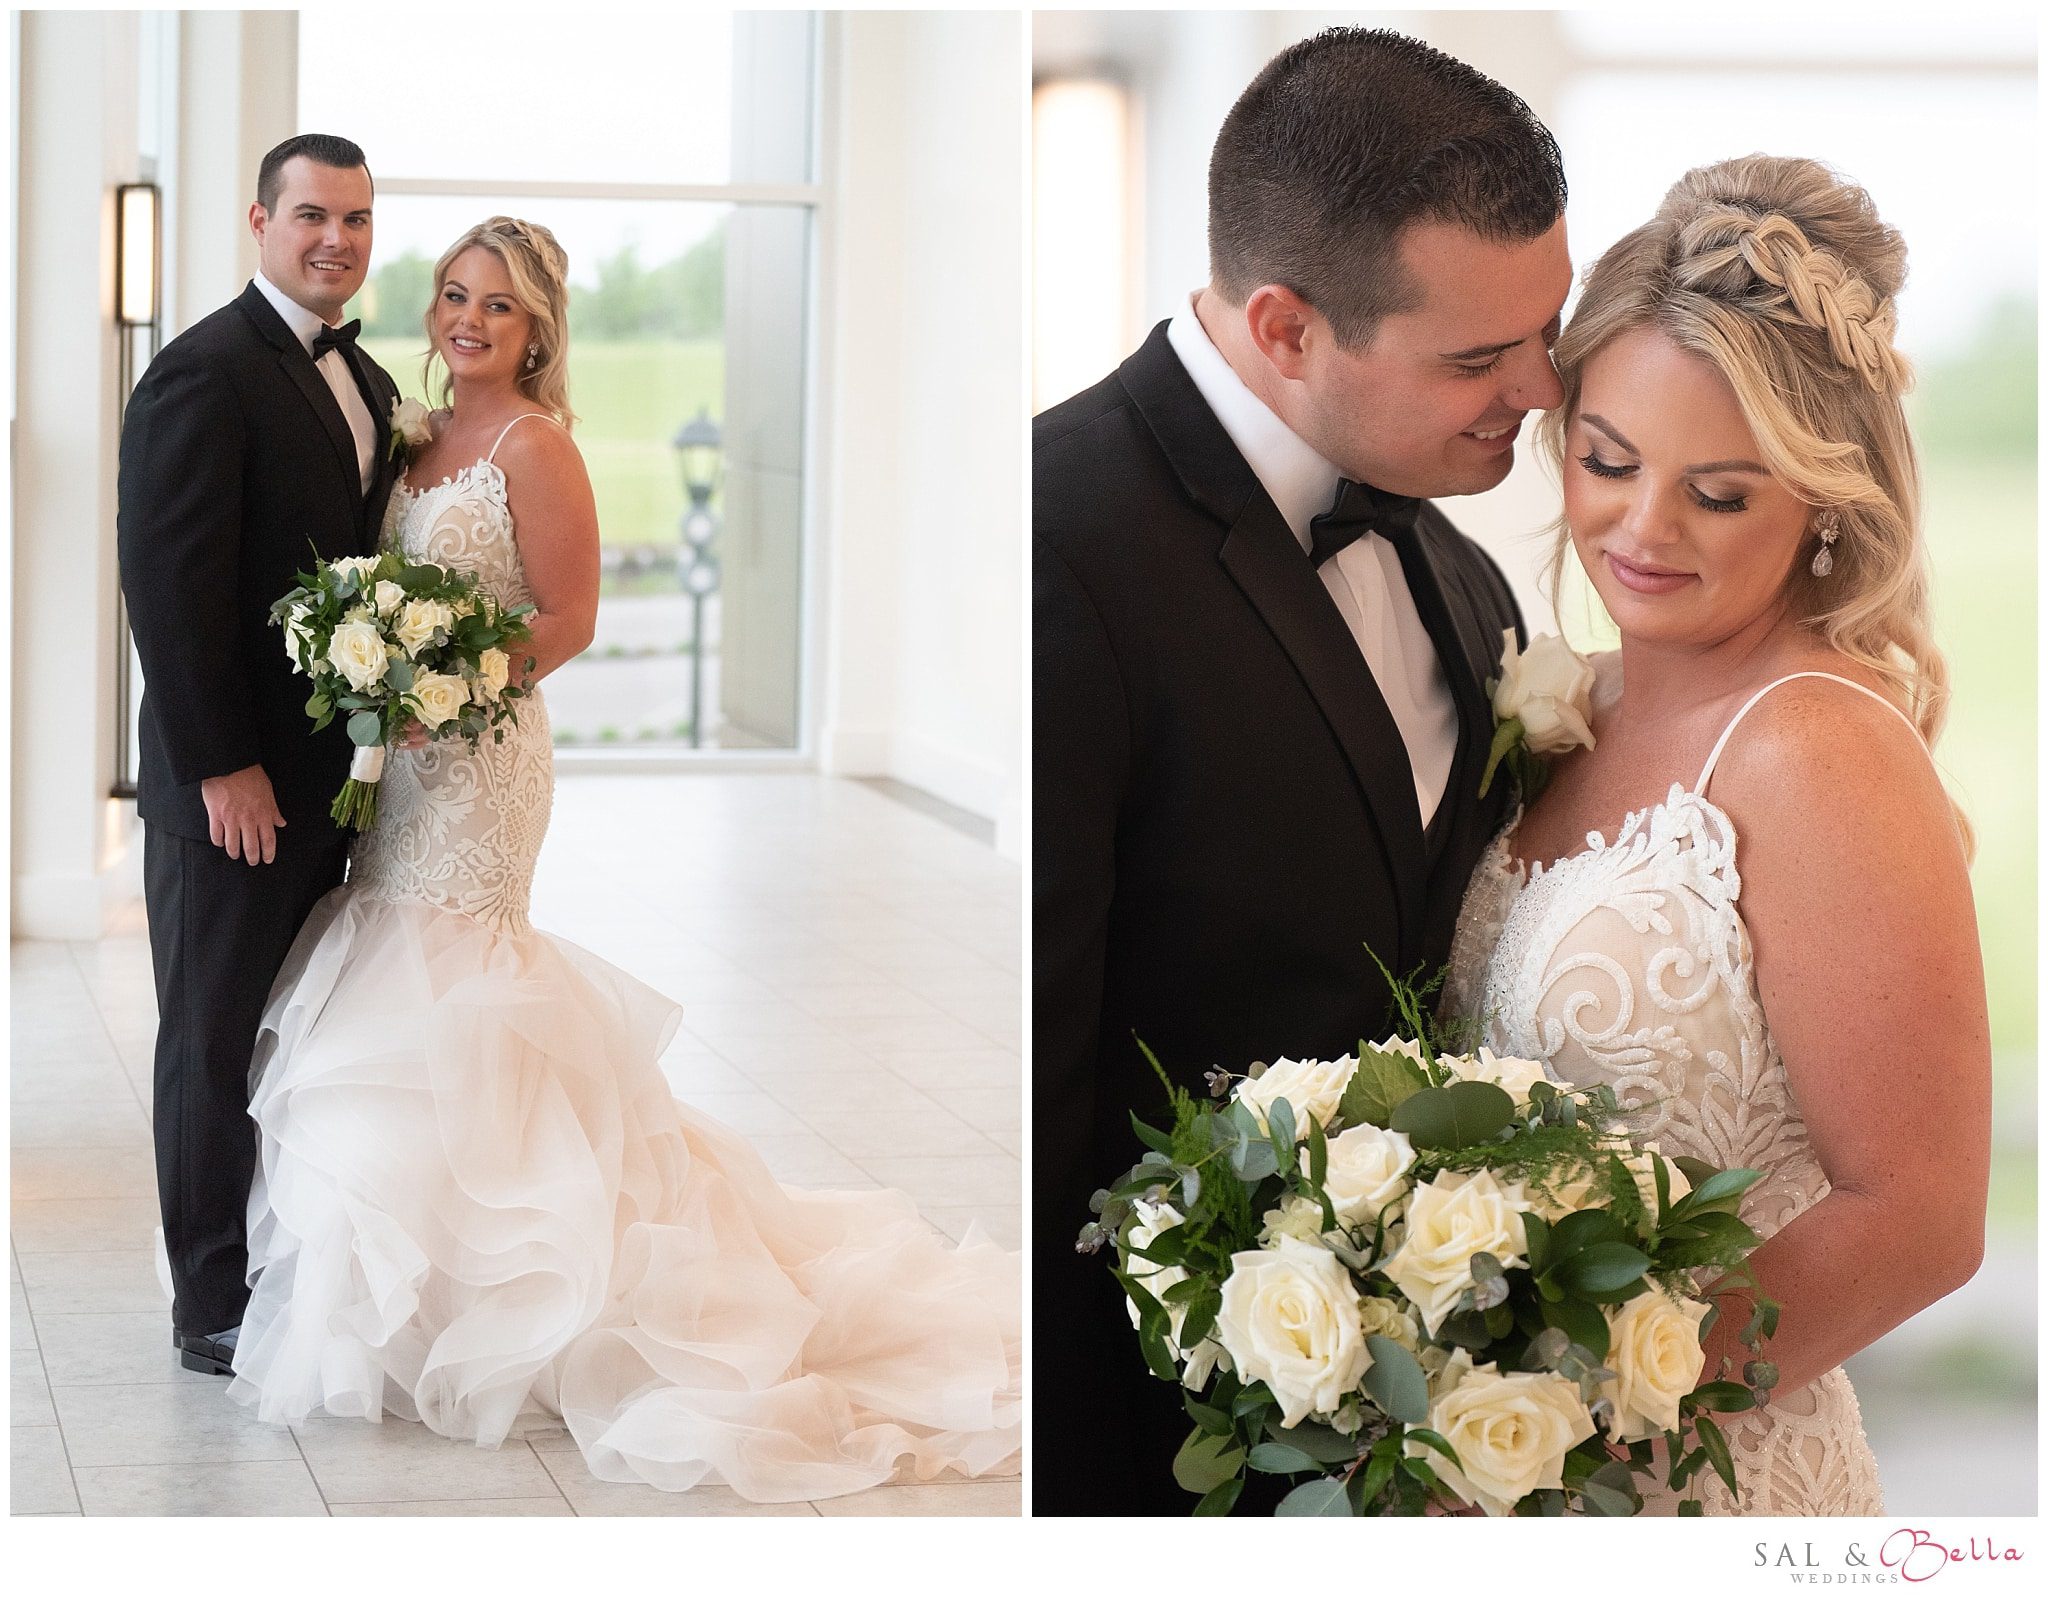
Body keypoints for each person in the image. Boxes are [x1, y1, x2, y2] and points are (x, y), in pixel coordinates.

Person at [222, 216, 1021, 1503]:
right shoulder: (418, 438)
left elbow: (570, 616)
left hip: (480, 762)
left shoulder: (537, 447)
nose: (466, 321)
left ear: (537, 327)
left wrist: (448, 682)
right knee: (389, 977)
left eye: (496, 305)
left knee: (455, 977)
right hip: (402, 754)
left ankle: (532, 1285)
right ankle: (412, 1297)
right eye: (452, 297)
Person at [1033, 28, 1571, 1513]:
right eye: (1478, 356)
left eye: (1546, 328)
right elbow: (1038, 1099)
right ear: (1284, 328)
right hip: (1142, 1449)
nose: (1541, 385)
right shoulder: (1053, 542)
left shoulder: (1467, 580)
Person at [1444, 154, 1991, 1515]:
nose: (1642, 528)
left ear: (1821, 499)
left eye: (1721, 492)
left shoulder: (1818, 751)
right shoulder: (1580, 695)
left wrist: (1577, 1424)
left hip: (1697, 1477)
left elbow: (1916, 1218)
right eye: (1609, 460)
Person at [118, 134, 400, 1378]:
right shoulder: (201, 373)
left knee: (298, 1035)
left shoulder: (373, 381)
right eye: (310, 216)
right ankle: (208, 1306)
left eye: (354, 218)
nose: (334, 237)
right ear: (259, 220)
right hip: (226, 790)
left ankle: (282, 1263)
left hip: (330, 781)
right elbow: (167, 586)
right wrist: (222, 762)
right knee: (212, 1038)